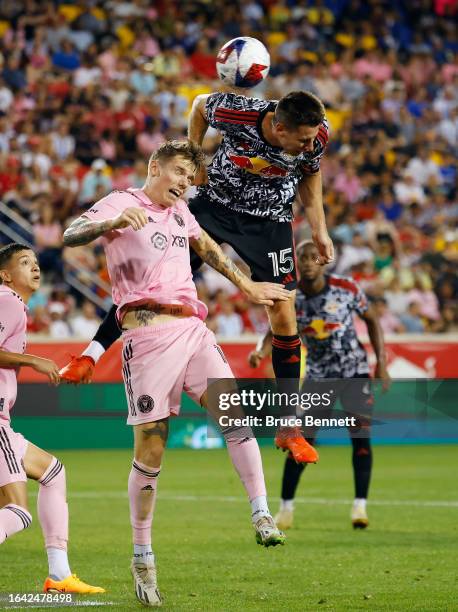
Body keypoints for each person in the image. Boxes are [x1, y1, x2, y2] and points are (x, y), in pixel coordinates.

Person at [62, 140, 290, 607]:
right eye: (180, 173)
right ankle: (143, 555)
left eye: (191, 179)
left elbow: (207, 248)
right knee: (152, 447)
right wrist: (111, 222)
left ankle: (262, 514)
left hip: (192, 328)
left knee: (235, 415)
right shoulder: (123, 202)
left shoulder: (183, 213)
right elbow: (70, 234)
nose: (186, 184)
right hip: (146, 339)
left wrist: (247, 285)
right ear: (155, 167)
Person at [61, 90, 335, 464]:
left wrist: (319, 229)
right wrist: (196, 159)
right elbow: (198, 106)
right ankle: (89, 356)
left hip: (269, 219)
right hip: (214, 206)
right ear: (279, 127)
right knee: (154, 280)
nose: (309, 145)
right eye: (301, 140)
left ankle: (289, 426)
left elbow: (310, 175)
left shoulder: (317, 134)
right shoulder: (238, 111)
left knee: (284, 309)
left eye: (312, 139)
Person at [248, 241, 390, 530]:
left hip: (354, 373)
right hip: (318, 378)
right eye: (304, 258)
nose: (310, 262)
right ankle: (286, 508)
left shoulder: (347, 288)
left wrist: (382, 363)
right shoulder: (292, 297)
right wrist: (261, 351)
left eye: (315, 257)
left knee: (361, 441)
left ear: (323, 260)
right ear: (297, 262)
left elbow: (372, 320)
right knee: (301, 442)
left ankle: (359, 507)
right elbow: (276, 328)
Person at [0, 243, 104, 595]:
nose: (35, 267)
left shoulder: (15, 305)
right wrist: (35, 361)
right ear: (5, 274)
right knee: (18, 511)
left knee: (53, 472)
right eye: (23, 262)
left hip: (3, 424)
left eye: (35, 261)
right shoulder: (7, 300)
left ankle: (59, 574)